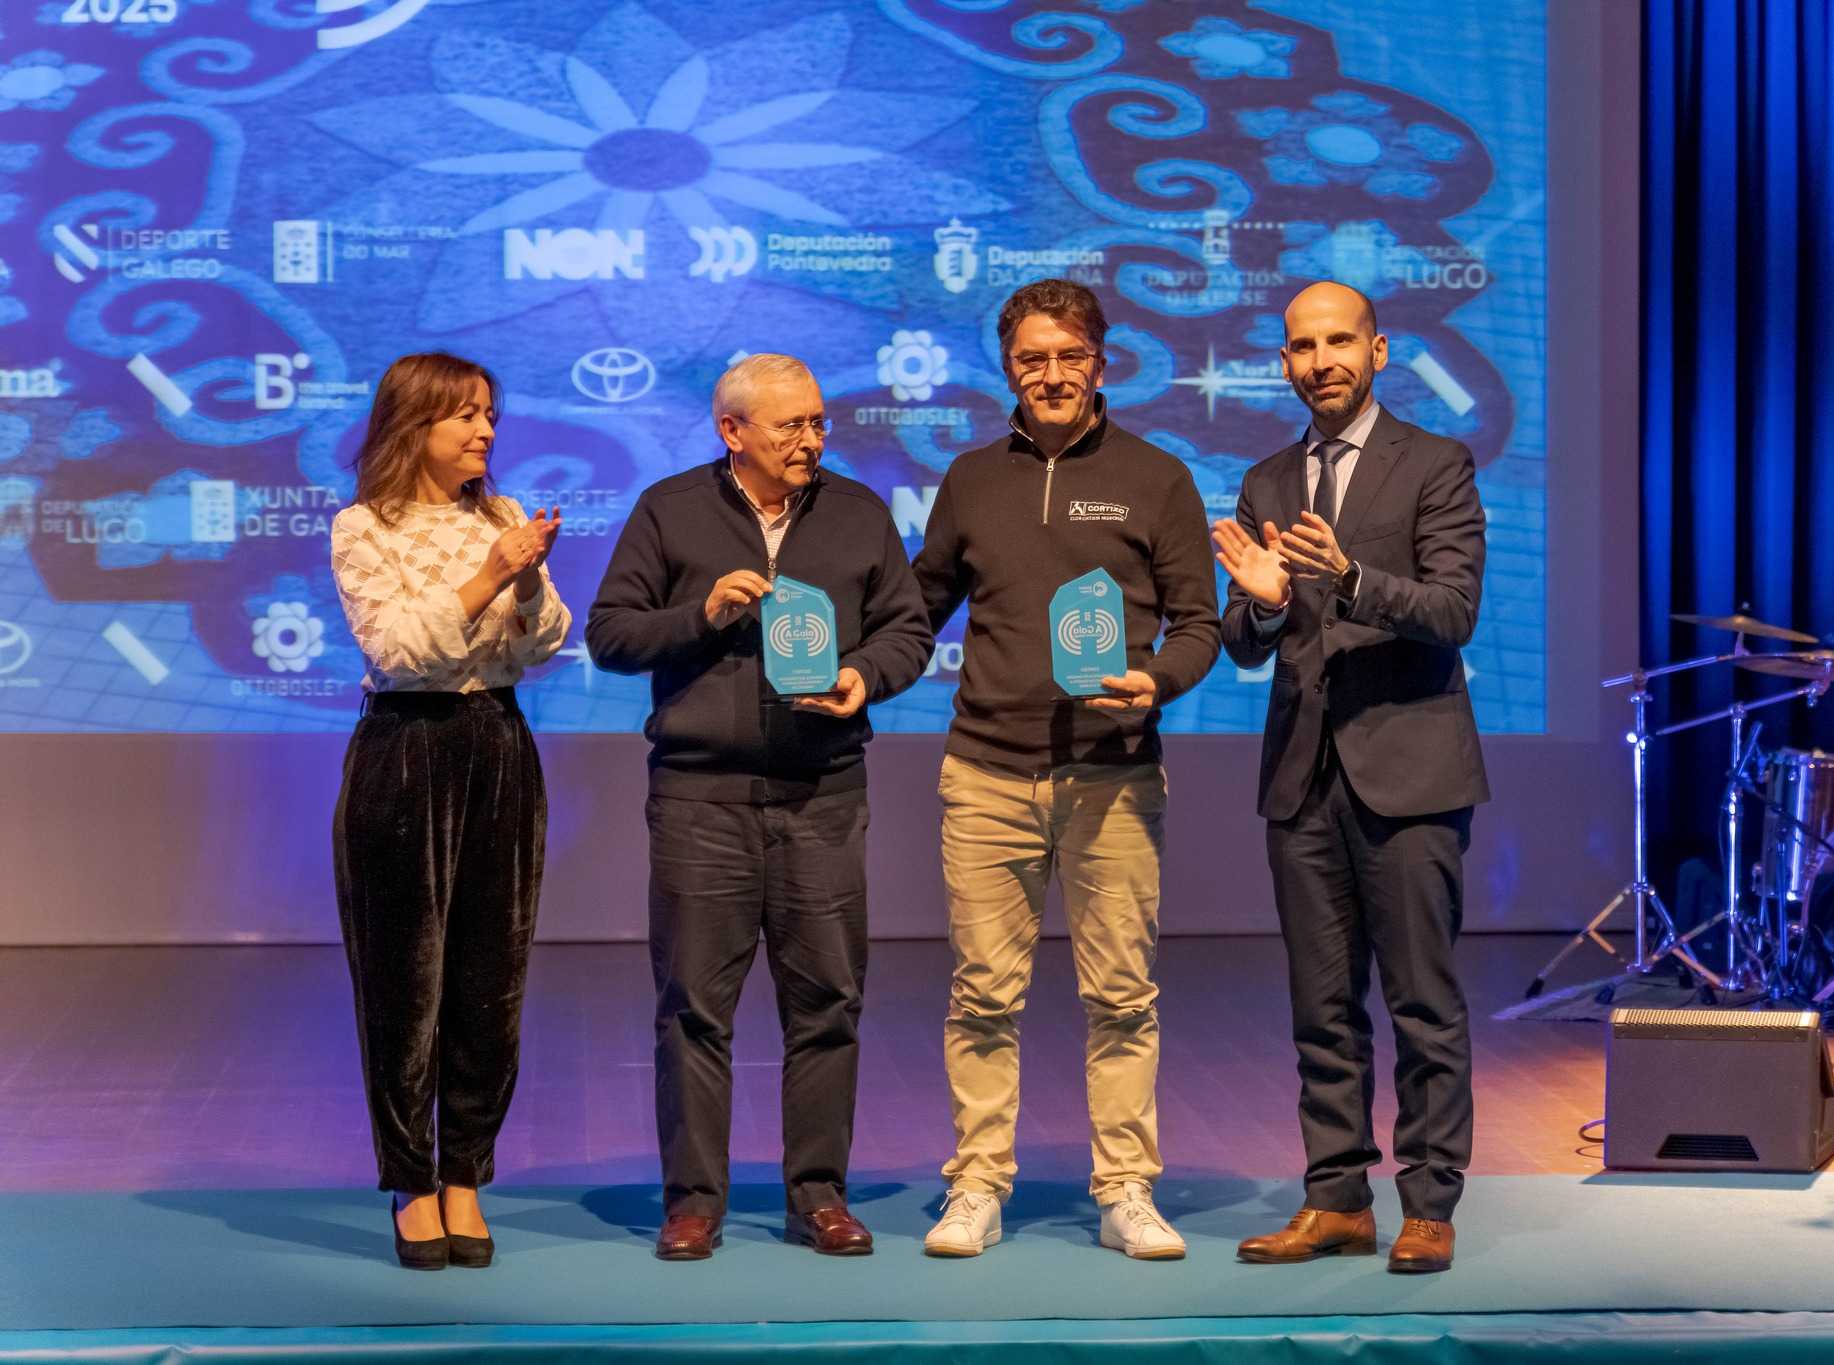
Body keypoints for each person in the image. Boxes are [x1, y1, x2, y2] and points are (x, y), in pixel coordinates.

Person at [586, 353, 932, 1262]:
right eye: (792, 425)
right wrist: (701, 612)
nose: (813, 439)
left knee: (828, 1003)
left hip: (824, 793)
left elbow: (908, 629)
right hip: (702, 800)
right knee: (694, 1009)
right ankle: (694, 1202)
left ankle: (818, 1195)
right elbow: (612, 633)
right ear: (732, 430)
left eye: (819, 422)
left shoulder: (858, 512)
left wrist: (864, 675)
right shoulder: (668, 509)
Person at [913, 278, 1221, 1261]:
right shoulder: (968, 479)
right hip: (985, 774)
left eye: (1067, 357)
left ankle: (1126, 1188)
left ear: (1100, 361)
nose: (1049, 375)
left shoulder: (1156, 476)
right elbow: (915, 607)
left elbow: (1201, 622)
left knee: (1122, 997)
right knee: (981, 996)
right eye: (1029, 360)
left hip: (1112, 776)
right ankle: (974, 1186)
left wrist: (1156, 681)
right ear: (1008, 369)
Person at [1214, 281, 1489, 1274]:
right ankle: (1334, 1199)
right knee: (1318, 1008)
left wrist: (1349, 578)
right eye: (1300, 346)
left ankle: (1426, 1204)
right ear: (1282, 362)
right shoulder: (1263, 479)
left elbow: (1454, 610)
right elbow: (1251, 643)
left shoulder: (1436, 464)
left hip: (1409, 772)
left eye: (1338, 341)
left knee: (1421, 1003)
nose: (1318, 359)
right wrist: (1255, 604)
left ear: (1378, 352)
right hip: (1300, 779)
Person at [330, 351, 570, 1270]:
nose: (484, 432)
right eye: (464, 416)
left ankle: (467, 1169)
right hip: (405, 751)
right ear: (412, 426)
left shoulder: (503, 517)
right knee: (404, 983)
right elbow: (398, 650)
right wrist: (486, 575)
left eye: (489, 415)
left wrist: (525, 577)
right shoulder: (365, 526)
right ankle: (410, 1179)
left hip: (498, 745)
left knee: (490, 976)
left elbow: (545, 640)